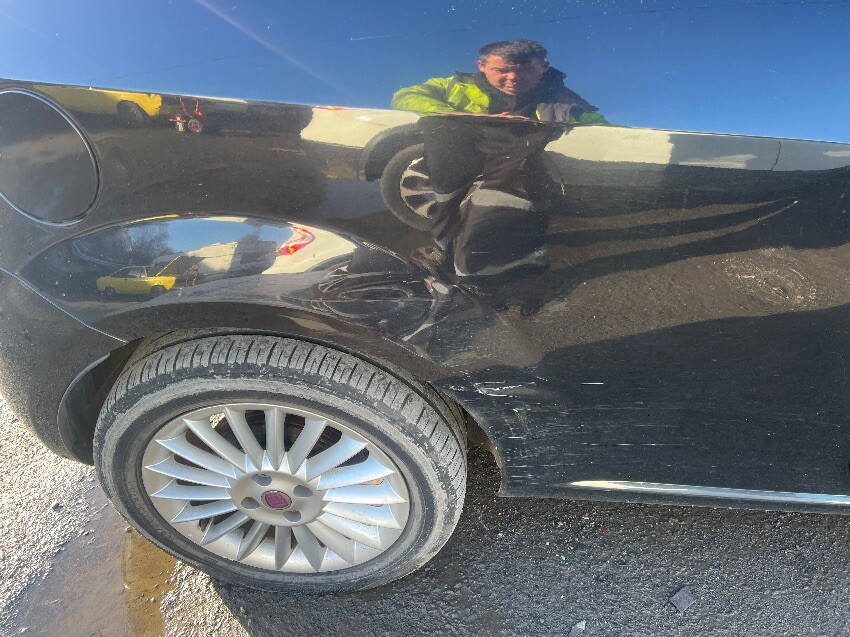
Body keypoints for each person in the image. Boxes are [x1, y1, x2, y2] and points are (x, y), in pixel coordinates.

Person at [391, 40, 607, 278]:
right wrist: (470, 117)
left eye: (525, 70)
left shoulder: (564, 100)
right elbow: (406, 95)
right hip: (456, 168)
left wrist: (539, 127)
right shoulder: (455, 85)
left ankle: (501, 267)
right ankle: (445, 248)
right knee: (450, 204)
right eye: (501, 70)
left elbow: (602, 131)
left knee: (494, 217)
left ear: (543, 67)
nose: (513, 78)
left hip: (514, 173)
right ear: (481, 66)